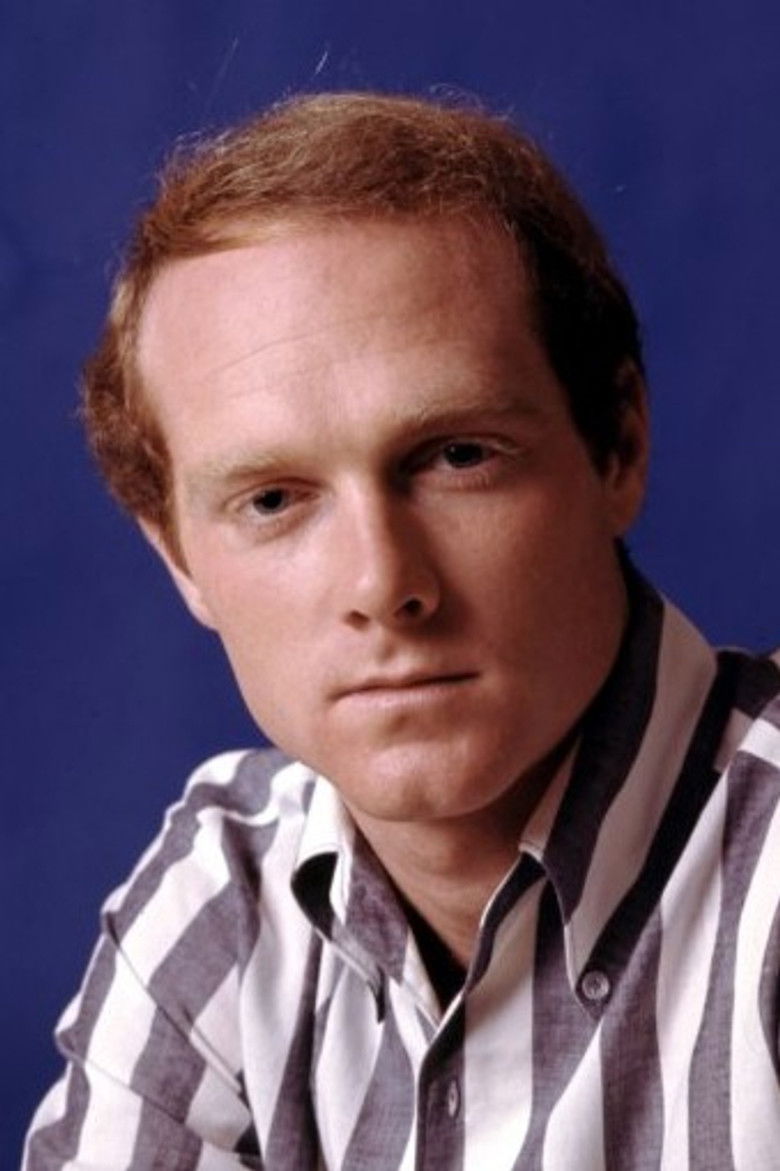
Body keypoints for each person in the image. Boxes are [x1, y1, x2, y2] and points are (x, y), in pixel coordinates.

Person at [23, 91, 780, 1171]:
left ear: (616, 446)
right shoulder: (226, 900)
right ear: (180, 557)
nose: (383, 584)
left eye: (457, 456)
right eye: (274, 500)